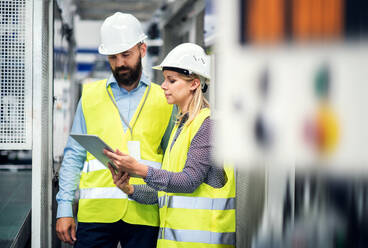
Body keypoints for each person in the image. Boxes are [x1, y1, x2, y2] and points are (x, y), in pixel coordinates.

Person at [55, 12, 175, 248]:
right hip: (96, 214)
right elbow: (74, 155)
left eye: (126, 55)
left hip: (146, 212)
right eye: (112, 56)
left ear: (142, 50)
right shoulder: (90, 96)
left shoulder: (165, 99)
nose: (120, 63)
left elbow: (173, 159)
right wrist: (64, 208)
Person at [104, 43, 236, 248]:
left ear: (194, 84)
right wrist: (130, 189)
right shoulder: (181, 126)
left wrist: (139, 169)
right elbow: (167, 194)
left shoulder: (208, 124)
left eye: (171, 80)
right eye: (165, 79)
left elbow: (188, 181)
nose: (163, 86)